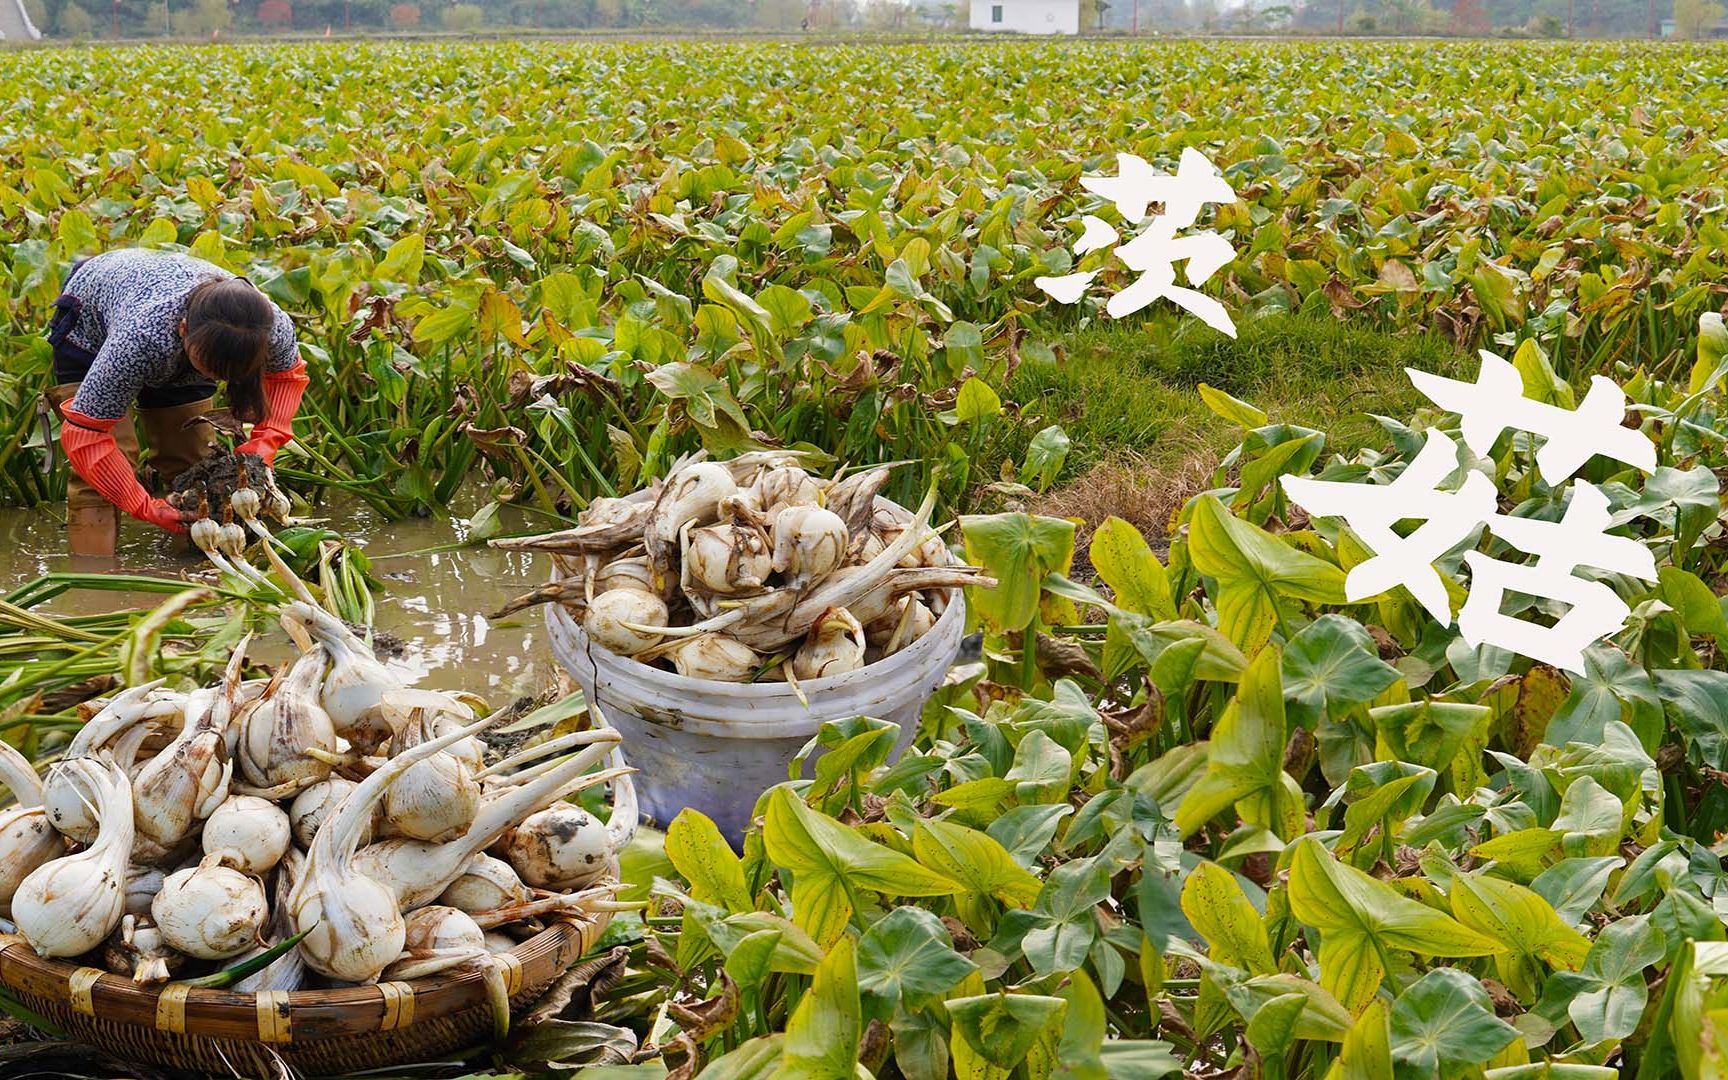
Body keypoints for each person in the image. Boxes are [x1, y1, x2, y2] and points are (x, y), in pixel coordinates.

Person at [43, 249, 310, 557]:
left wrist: (265, 443)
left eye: (226, 374)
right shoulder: (141, 339)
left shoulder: (272, 329)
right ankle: (93, 576)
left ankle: (197, 572)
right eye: (210, 368)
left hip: (184, 331)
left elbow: (287, 378)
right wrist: (144, 506)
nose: (215, 379)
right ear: (183, 330)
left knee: (194, 465)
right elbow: (86, 435)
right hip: (92, 318)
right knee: (102, 475)